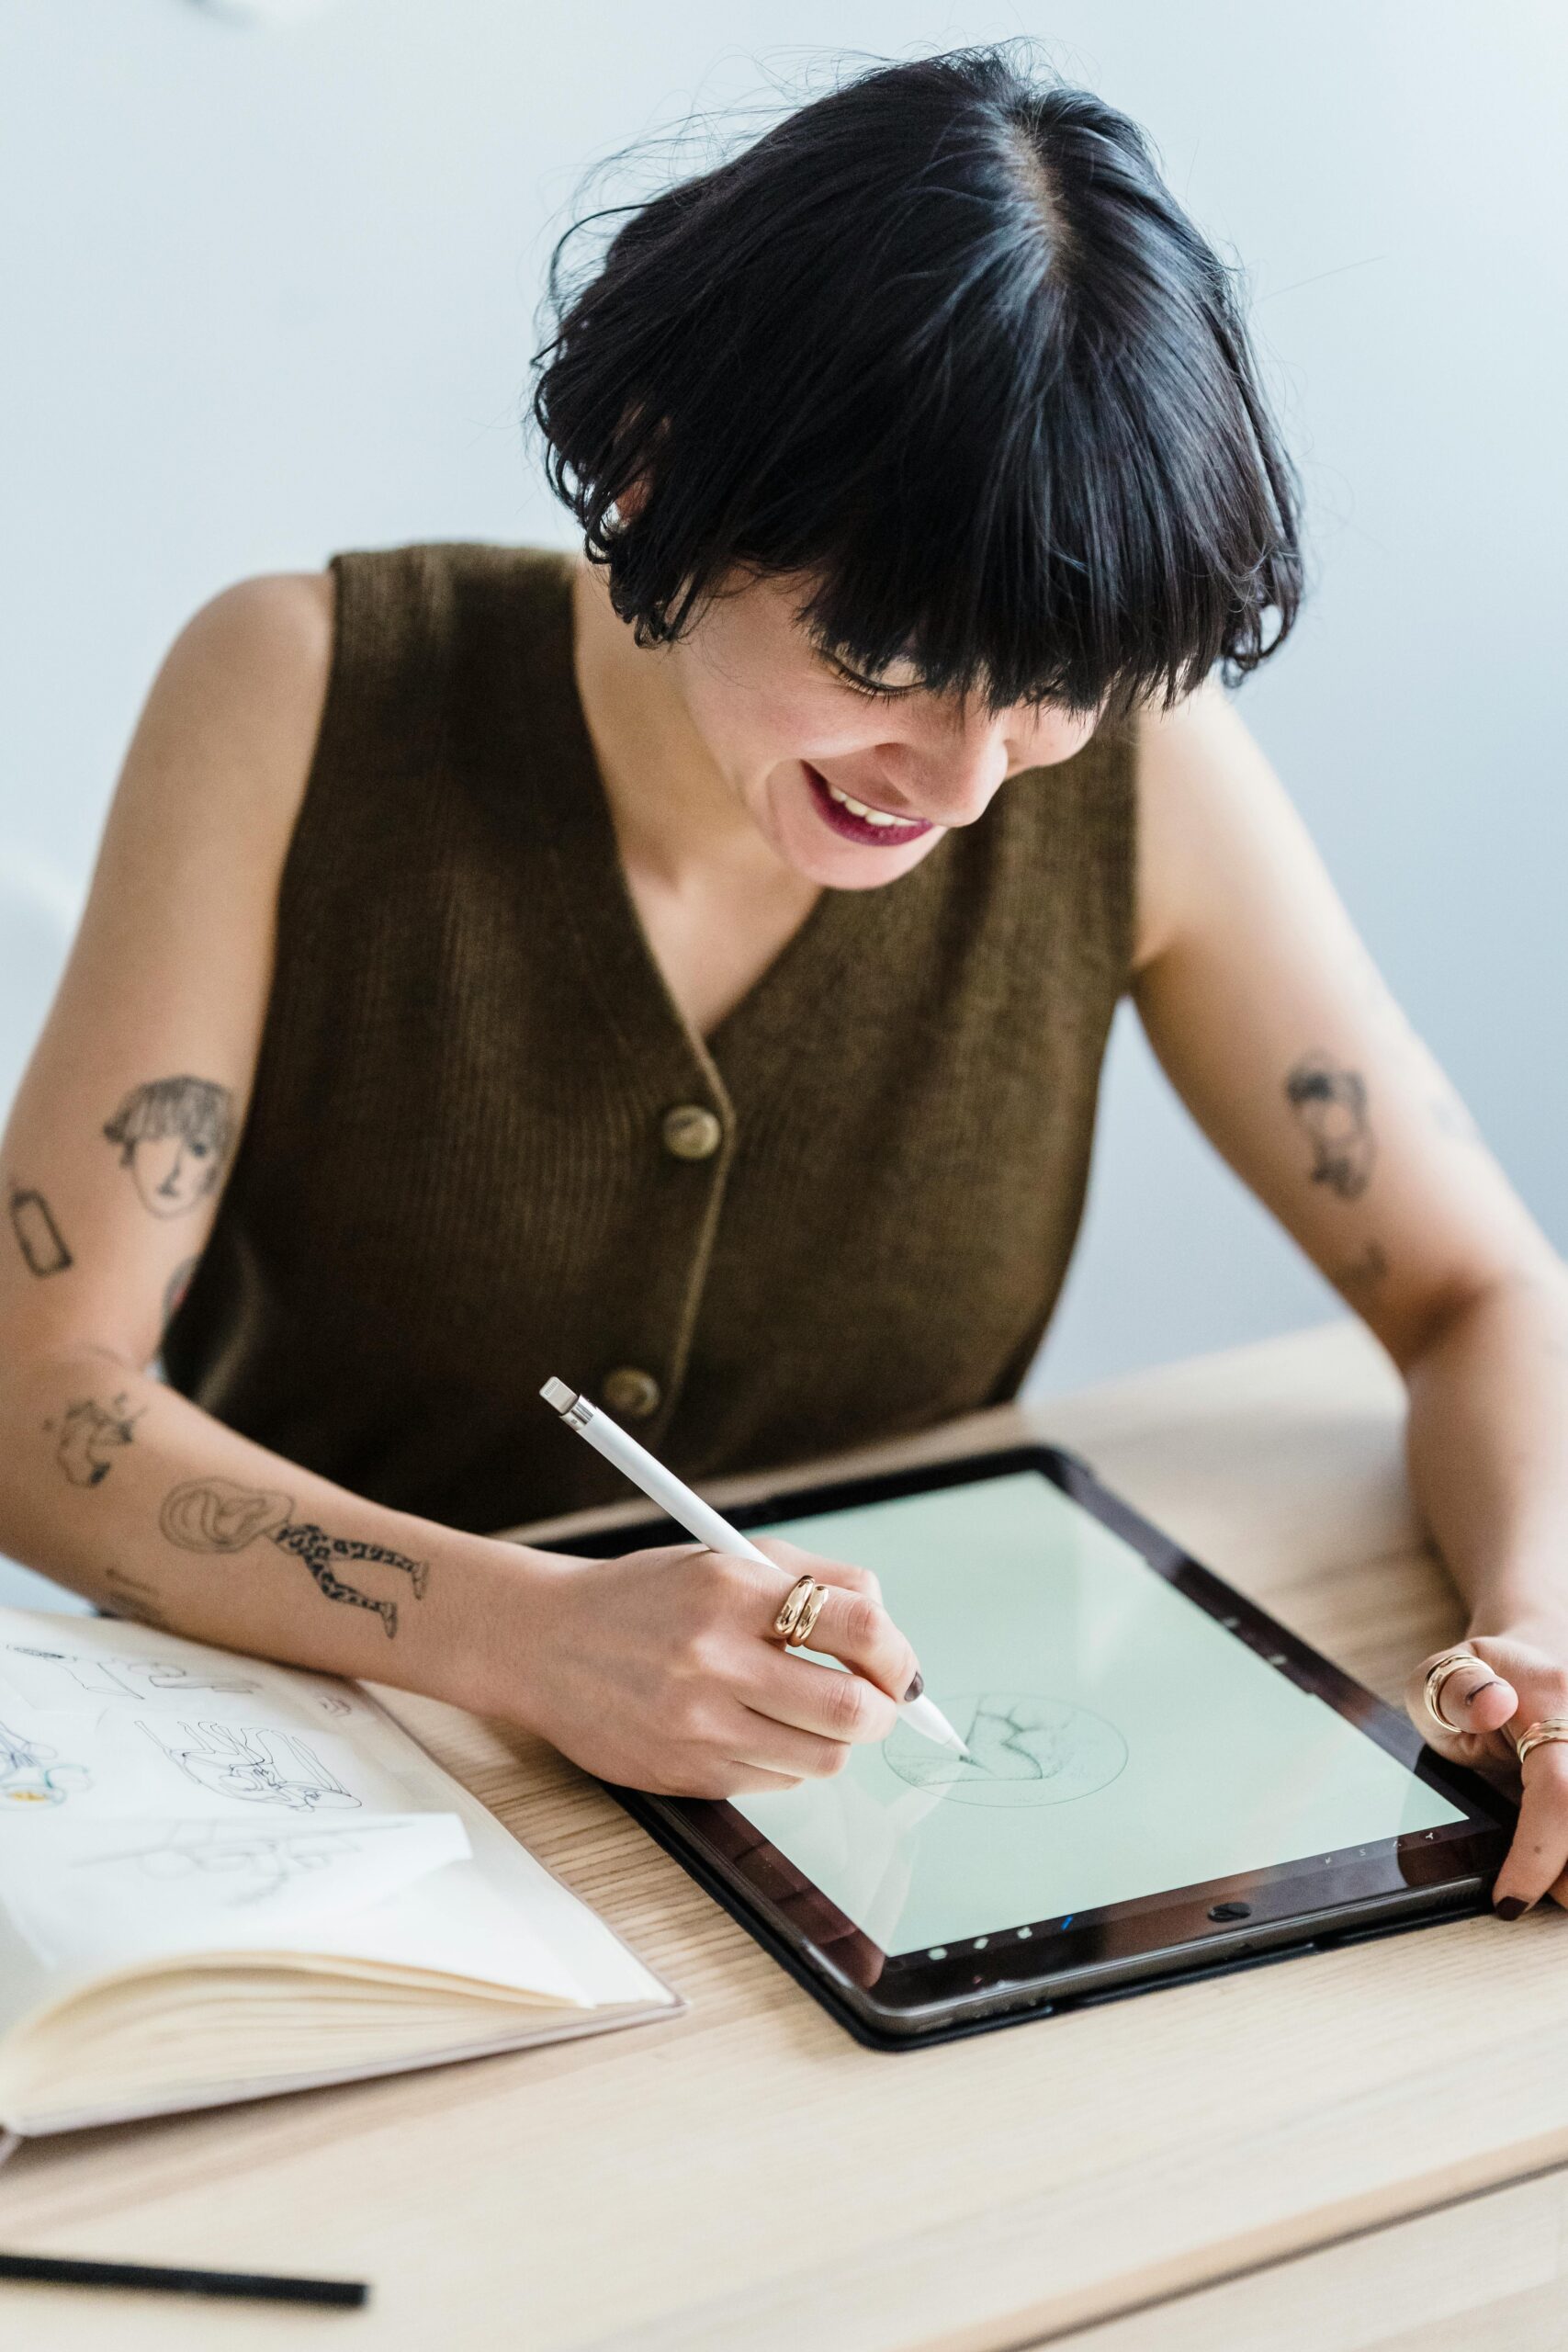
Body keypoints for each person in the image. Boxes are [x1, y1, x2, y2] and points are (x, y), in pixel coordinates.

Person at [2, 47, 1565, 1915]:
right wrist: (533, 1632)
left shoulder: (1145, 769)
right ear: (662, 465)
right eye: (885, 651)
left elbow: (1479, 1287)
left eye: (1047, 686)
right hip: (318, 1818)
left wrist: (1535, 1621)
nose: (969, 774)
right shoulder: (303, 691)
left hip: (881, 1849)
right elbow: (39, 1397)